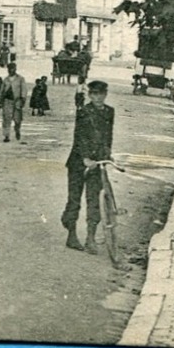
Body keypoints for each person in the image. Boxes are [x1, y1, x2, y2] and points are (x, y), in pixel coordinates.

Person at [61, 79, 115, 253]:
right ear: (90, 95)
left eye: (101, 94)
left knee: (94, 201)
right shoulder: (84, 111)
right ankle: (71, 234)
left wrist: (107, 156)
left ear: (106, 94)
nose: (98, 97)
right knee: (74, 199)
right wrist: (85, 158)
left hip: (97, 162)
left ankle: (90, 238)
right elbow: (80, 136)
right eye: (94, 94)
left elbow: (108, 136)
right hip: (79, 162)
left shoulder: (109, 112)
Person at [0, 60, 28, 142]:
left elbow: (24, 90)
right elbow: (2, 90)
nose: (11, 70)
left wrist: (22, 99)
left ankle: (17, 130)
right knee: (6, 119)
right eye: (9, 69)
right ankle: (6, 135)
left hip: (17, 101)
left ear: (15, 69)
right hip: (7, 101)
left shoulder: (20, 79)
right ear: (8, 69)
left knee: (17, 119)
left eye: (13, 69)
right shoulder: (6, 79)